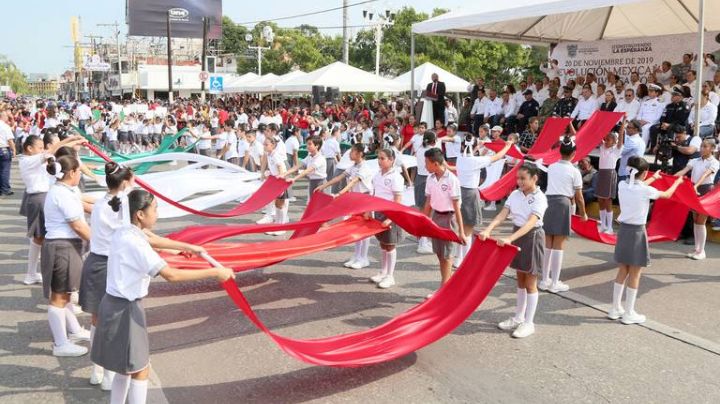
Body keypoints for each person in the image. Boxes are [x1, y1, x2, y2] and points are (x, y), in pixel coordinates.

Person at [91, 189, 234, 404]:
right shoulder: (135, 242)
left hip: (114, 305)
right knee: (140, 369)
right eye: (155, 209)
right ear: (140, 214)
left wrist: (188, 247)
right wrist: (216, 272)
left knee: (125, 368)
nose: (157, 213)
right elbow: (171, 275)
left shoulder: (125, 230)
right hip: (125, 309)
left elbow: (154, 240)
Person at [79, 161, 134, 389]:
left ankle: (97, 369)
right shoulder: (125, 205)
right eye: (131, 179)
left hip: (95, 263)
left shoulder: (101, 203)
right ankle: (109, 374)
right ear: (124, 182)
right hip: (115, 266)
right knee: (115, 322)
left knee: (97, 320)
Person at [609, 157, 683, 324]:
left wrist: (653, 178)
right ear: (642, 173)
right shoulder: (644, 190)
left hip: (623, 231)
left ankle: (615, 309)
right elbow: (667, 194)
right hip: (637, 232)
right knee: (635, 273)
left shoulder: (622, 185)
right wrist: (677, 182)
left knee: (623, 271)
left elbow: (639, 185)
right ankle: (629, 313)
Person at [480, 163, 548, 338]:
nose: (519, 182)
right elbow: (503, 214)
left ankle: (529, 322)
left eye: (523, 178)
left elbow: (531, 222)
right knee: (520, 279)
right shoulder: (515, 194)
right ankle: (518, 317)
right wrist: (489, 229)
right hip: (516, 234)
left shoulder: (540, 198)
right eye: (517, 178)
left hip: (532, 237)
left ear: (535, 178)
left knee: (530, 282)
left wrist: (510, 239)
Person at [42, 154, 92, 357]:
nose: (81, 174)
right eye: (79, 171)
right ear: (71, 172)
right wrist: (100, 243)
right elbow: (78, 225)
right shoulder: (61, 194)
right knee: (59, 297)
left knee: (66, 293)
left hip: (63, 245)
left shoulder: (64, 189)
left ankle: (74, 330)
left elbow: (85, 206)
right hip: (62, 247)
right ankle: (61, 344)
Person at [18, 134, 84, 285]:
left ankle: (32, 273)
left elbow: (54, 151)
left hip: (41, 198)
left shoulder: (32, 160)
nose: (43, 150)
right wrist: (70, 140)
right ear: (29, 148)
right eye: (39, 148)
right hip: (39, 198)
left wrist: (74, 141)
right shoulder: (28, 160)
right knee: (39, 238)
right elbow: (52, 149)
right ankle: (32, 273)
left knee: (39, 238)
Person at [455, 135, 514, 267]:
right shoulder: (475, 160)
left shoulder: (461, 158)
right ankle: (465, 259)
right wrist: (507, 146)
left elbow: (472, 151)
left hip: (459, 192)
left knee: (462, 227)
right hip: (470, 194)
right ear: (474, 147)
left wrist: (478, 145)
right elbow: (497, 157)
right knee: (469, 228)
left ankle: (458, 258)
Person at [539, 136, 588, 293]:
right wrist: (584, 213)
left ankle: (544, 279)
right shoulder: (575, 171)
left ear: (560, 151)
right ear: (574, 153)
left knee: (548, 242)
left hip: (548, 202)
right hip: (562, 203)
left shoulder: (552, 166)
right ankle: (554, 283)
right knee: (558, 244)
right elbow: (579, 196)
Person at [317, 144, 374, 269]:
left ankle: (364, 258)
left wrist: (339, 194)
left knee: (364, 230)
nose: (349, 153)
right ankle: (357, 255)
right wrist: (323, 186)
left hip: (365, 200)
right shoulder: (353, 166)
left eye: (352, 151)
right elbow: (339, 177)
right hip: (355, 200)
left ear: (360, 154)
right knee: (356, 229)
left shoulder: (364, 168)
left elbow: (353, 182)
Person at [423, 147, 465, 298]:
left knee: (447, 256)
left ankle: (444, 290)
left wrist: (461, 231)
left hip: (449, 218)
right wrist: (424, 221)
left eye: (426, 163)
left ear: (435, 163)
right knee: (440, 254)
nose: (425, 166)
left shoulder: (452, 179)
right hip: (436, 217)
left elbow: (456, 207)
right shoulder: (430, 178)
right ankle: (446, 286)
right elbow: (428, 202)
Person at [674, 139, 719, 260]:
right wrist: (671, 178)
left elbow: (706, 174)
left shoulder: (714, 162)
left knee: (701, 221)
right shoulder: (694, 160)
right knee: (695, 220)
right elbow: (683, 171)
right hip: (693, 189)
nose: (701, 148)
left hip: (705, 190)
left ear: (712, 149)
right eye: (701, 146)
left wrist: (696, 186)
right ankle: (697, 249)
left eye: (705, 146)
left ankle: (702, 251)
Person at [368, 149, 404, 289]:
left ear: (391, 160)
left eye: (382, 158)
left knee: (390, 244)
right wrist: (369, 211)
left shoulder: (396, 177)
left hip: (391, 213)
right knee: (382, 243)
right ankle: (383, 272)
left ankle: (390, 275)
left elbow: (398, 199)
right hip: (378, 212)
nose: (379, 161)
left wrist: (390, 218)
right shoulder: (377, 175)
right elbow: (374, 194)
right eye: (378, 158)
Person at [414, 131, 440, 254]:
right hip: (428, 180)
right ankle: (423, 242)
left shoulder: (419, 149)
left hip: (419, 179)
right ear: (433, 140)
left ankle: (423, 240)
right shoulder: (433, 152)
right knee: (427, 213)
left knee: (422, 212)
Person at [596, 128, 624, 234]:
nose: (606, 141)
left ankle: (610, 227)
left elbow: (621, 138)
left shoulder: (616, 150)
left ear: (614, 141)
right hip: (601, 173)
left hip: (609, 174)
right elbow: (599, 135)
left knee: (607, 200)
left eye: (609, 140)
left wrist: (622, 126)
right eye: (606, 139)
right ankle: (603, 225)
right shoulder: (603, 147)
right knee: (600, 199)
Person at [261, 136, 289, 236]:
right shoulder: (269, 154)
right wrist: (267, 173)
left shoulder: (275, 155)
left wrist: (280, 181)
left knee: (281, 204)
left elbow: (281, 167)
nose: (264, 146)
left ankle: (282, 226)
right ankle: (278, 224)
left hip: (281, 181)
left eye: (266, 144)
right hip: (276, 180)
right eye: (264, 144)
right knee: (277, 204)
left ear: (272, 145)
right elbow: (272, 167)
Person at [0, 111, 16, 196]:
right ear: (4, 116)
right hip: (3, 149)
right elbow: (10, 140)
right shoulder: (5, 126)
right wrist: (14, 150)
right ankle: (5, 189)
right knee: (4, 170)